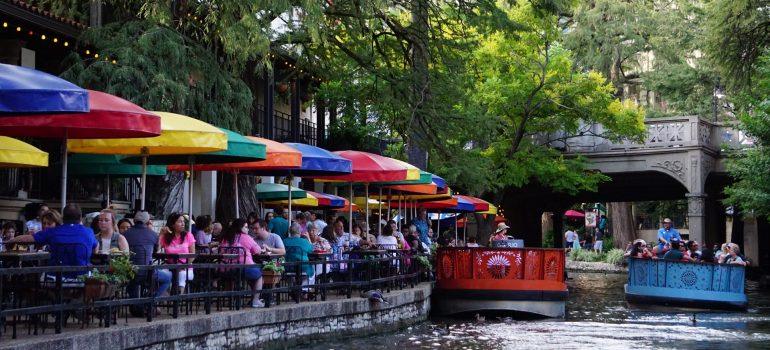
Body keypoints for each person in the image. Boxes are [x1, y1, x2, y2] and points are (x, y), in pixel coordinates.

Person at [7, 204, 97, 275]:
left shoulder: (53, 232)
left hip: (55, 278)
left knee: (39, 276)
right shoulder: (89, 232)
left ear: (63, 217)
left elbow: (27, 239)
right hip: (82, 278)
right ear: (80, 218)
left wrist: (10, 241)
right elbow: (96, 248)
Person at [124, 211, 172, 304]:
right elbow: (156, 251)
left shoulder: (125, 234)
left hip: (130, 272)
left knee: (132, 285)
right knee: (168, 278)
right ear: (147, 221)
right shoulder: (152, 234)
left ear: (134, 220)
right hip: (148, 272)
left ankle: (136, 304)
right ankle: (151, 300)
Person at [219, 218, 265, 308]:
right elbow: (258, 251)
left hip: (226, 268)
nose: (247, 229)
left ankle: (231, 300)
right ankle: (255, 300)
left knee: (231, 278)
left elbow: (220, 251)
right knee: (259, 276)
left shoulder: (226, 237)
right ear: (240, 227)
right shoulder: (246, 237)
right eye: (246, 227)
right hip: (244, 267)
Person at [158, 213, 196, 291]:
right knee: (162, 274)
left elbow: (192, 255)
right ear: (172, 224)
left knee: (181, 275)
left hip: (185, 267)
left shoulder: (188, 235)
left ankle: (178, 300)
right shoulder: (166, 237)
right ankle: (166, 299)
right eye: (179, 221)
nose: (183, 224)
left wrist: (183, 266)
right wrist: (161, 234)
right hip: (170, 266)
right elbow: (157, 250)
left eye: (183, 221)